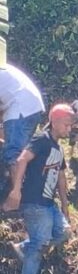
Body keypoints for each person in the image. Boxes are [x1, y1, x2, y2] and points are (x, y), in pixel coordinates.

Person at [4, 104, 74, 274]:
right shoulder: (41, 140)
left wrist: (65, 208)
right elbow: (22, 159)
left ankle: (24, 248)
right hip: (34, 201)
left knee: (63, 232)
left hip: (48, 203)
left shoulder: (57, 148)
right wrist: (16, 190)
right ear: (56, 121)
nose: (69, 130)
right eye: (67, 125)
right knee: (40, 242)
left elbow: (61, 178)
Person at [0, 63, 45, 200]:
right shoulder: (4, 69)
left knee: (12, 153)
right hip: (30, 106)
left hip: (20, 109)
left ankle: (17, 199)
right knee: (17, 152)